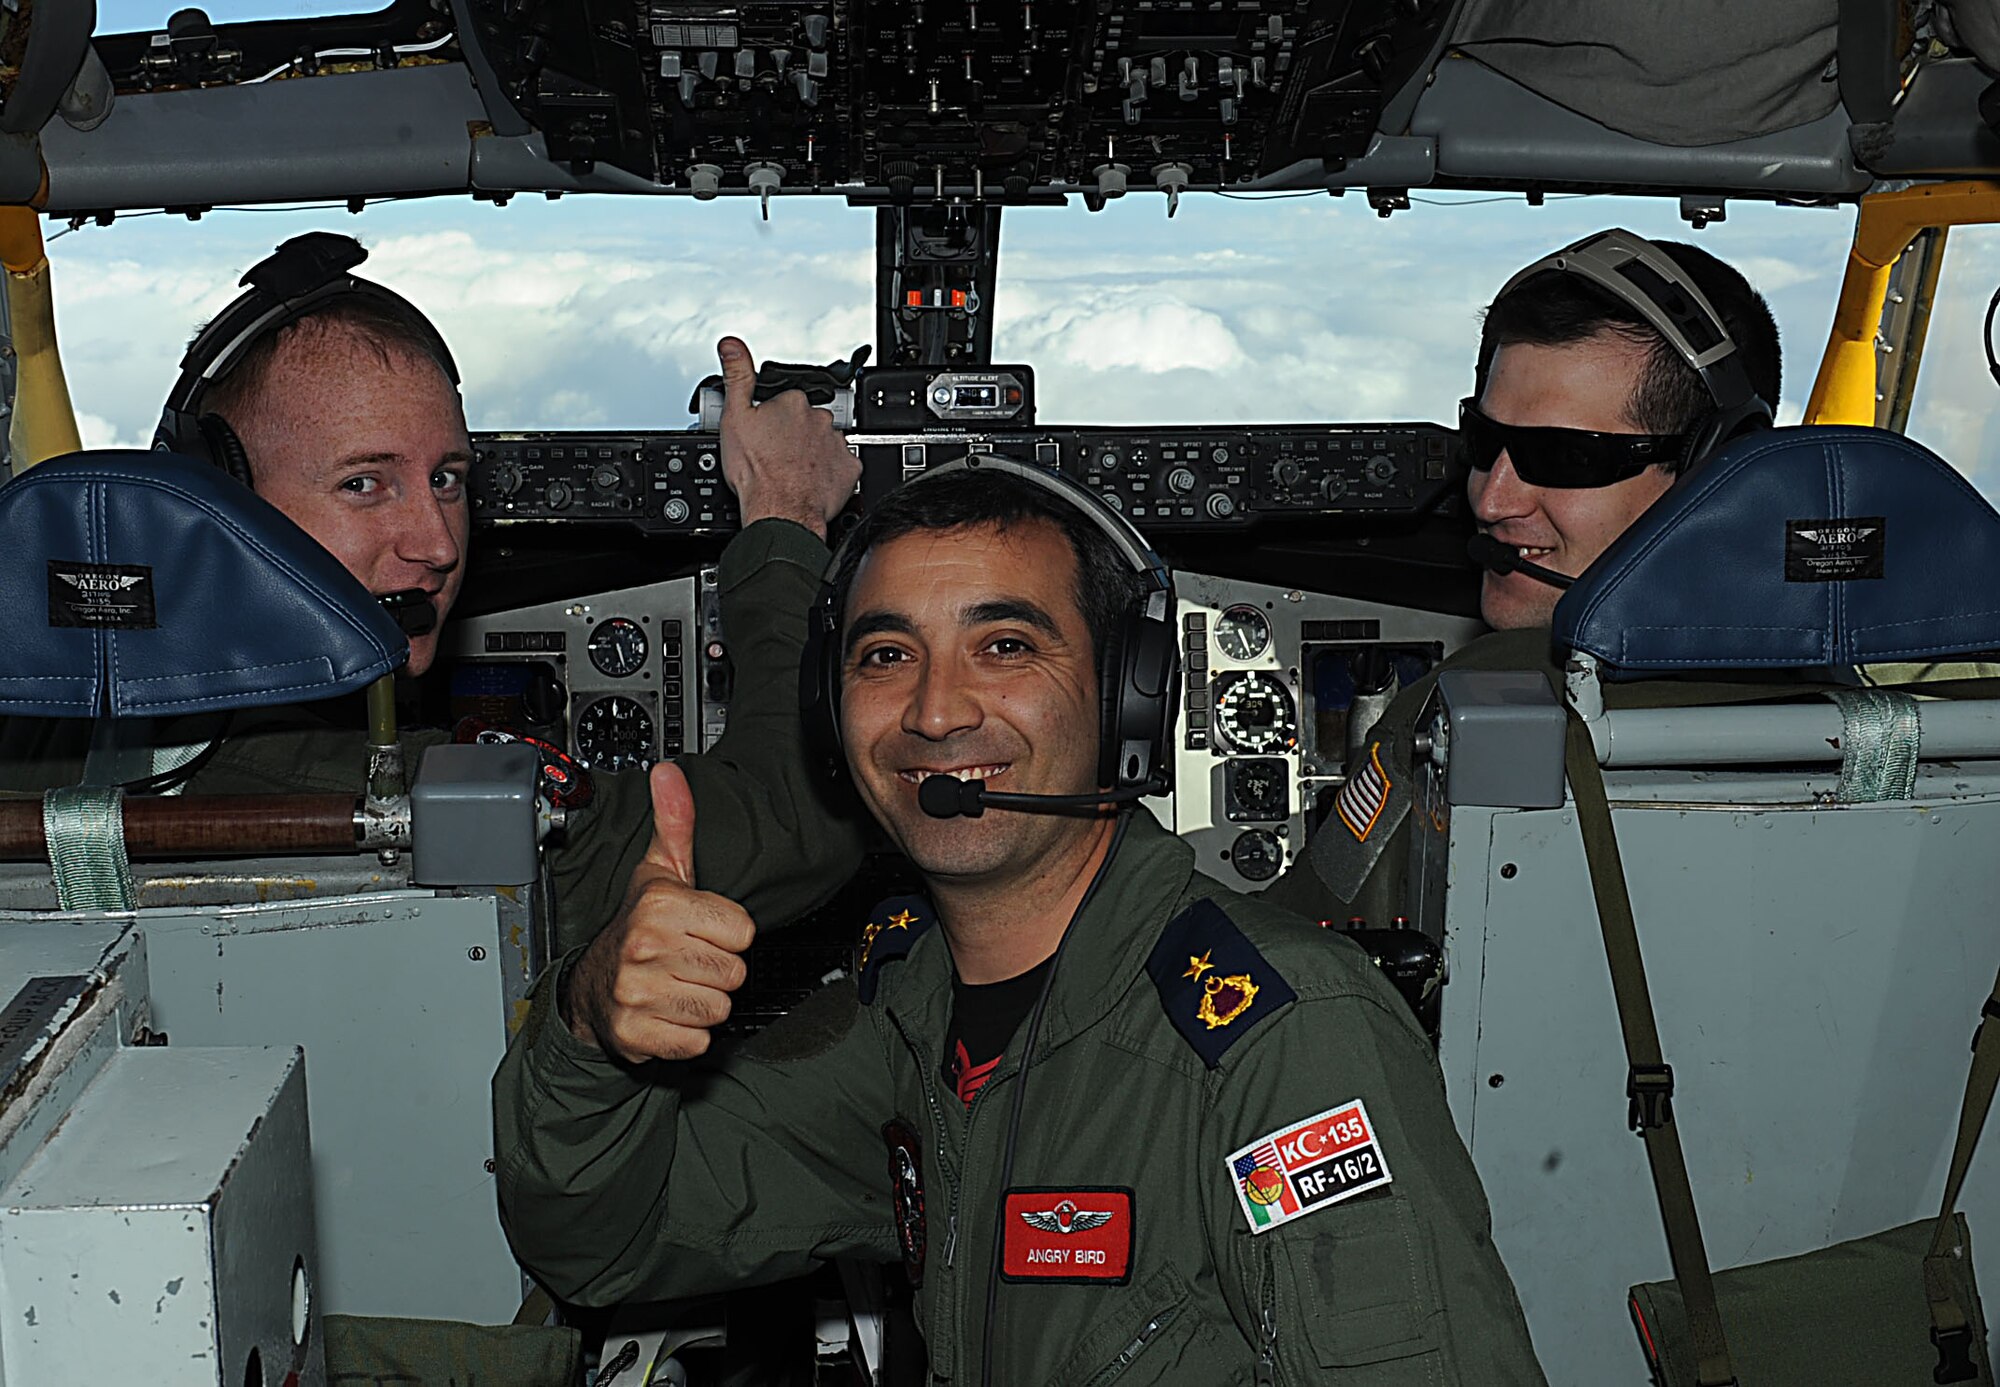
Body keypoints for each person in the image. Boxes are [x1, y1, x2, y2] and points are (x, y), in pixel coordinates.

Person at [494, 458, 1547, 1384]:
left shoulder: (1282, 1044)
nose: (935, 711)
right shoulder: (908, 1013)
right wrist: (588, 1027)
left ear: (1130, 698)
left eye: (1003, 644)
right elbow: (602, 1242)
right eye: (883, 655)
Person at [0, 233, 868, 946]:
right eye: (363, 485)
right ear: (220, 502)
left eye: (448, 478)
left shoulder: (33, 721)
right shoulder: (393, 796)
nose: (438, 542)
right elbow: (794, 823)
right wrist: (785, 518)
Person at [1259, 227, 1783, 927]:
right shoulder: (1893, 718)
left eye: (1562, 457)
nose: (1491, 498)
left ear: (1712, 476)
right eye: (1483, 441)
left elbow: (1294, 952)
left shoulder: (1457, 708)